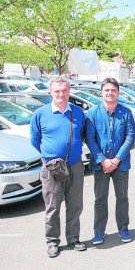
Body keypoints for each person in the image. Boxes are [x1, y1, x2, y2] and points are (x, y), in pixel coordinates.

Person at [30, 76, 87, 258]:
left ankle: (73, 238)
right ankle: (52, 241)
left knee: (75, 205)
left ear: (69, 92)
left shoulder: (77, 112)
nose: (61, 94)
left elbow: (83, 135)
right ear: (51, 92)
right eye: (57, 91)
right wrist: (50, 157)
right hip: (52, 168)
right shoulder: (40, 114)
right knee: (53, 207)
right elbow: (35, 140)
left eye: (64, 90)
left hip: (75, 166)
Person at [85, 78, 135, 245]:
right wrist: (102, 160)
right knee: (100, 199)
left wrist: (116, 159)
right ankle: (99, 232)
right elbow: (90, 139)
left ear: (118, 92)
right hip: (101, 165)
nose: (110, 93)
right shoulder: (93, 113)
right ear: (102, 92)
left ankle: (123, 228)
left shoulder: (126, 112)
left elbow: (130, 137)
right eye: (106, 90)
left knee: (122, 197)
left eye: (113, 90)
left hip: (121, 164)